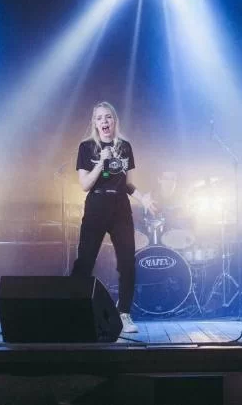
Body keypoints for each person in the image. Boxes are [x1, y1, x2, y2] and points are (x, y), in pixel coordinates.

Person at [71, 101, 156, 333]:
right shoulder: (86, 147)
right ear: (94, 123)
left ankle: (124, 314)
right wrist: (101, 162)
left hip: (120, 208)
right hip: (96, 205)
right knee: (85, 261)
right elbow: (85, 185)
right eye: (99, 118)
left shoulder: (125, 147)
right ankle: (74, 311)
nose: (104, 121)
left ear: (114, 120)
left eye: (108, 117)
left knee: (127, 262)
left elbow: (127, 184)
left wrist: (143, 199)